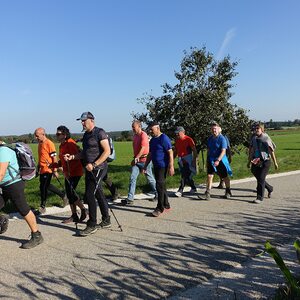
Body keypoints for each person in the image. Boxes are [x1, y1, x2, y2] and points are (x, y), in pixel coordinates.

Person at [64, 111, 111, 236]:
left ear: (92, 120)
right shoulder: (86, 135)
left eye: (84, 120)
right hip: (89, 168)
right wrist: (72, 157)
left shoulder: (99, 132)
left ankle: (92, 224)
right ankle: (106, 220)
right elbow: (84, 153)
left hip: (99, 167)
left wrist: (94, 164)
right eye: (81, 120)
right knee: (99, 193)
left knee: (89, 195)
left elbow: (107, 151)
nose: (82, 123)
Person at [0, 141, 44, 249]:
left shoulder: (3, 151)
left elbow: (1, 173)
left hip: (13, 184)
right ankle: (2, 220)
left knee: (23, 209)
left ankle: (37, 235)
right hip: (4, 185)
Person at [55, 126, 87, 223]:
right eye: (56, 134)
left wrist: (69, 173)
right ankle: (74, 215)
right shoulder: (62, 145)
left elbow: (76, 158)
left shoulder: (70, 143)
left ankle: (83, 209)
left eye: (58, 134)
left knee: (72, 194)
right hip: (67, 173)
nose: (56, 135)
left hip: (74, 172)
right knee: (69, 195)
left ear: (64, 135)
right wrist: (56, 164)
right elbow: (63, 159)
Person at [143, 122, 174, 217]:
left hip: (163, 166)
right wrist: (145, 165)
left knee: (159, 186)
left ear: (158, 128)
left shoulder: (164, 138)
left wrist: (171, 166)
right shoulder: (152, 140)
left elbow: (170, 152)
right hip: (156, 166)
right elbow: (150, 154)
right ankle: (166, 204)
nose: (151, 131)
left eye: (152, 129)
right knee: (162, 185)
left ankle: (160, 208)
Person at [122, 120, 157, 205]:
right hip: (137, 161)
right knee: (132, 178)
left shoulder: (143, 135)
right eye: (132, 127)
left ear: (139, 126)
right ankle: (130, 199)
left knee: (150, 178)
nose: (132, 128)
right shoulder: (135, 136)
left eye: (134, 127)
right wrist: (135, 158)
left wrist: (137, 157)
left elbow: (143, 148)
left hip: (145, 161)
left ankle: (158, 193)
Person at [34, 127, 68, 214]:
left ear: (43, 134)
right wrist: (38, 167)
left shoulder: (49, 143)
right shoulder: (40, 143)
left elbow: (54, 157)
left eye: (37, 136)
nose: (36, 137)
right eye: (35, 136)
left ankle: (42, 206)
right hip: (42, 169)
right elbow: (41, 157)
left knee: (43, 187)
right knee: (46, 186)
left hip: (48, 169)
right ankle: (63, 195)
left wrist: (55, 170)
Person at [198, 122, 232, 200]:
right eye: (212, 129)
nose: (214, 130)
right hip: (211, 159)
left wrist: (218, 160)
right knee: (210, 175)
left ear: (219, 129)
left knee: (225, 176)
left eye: (215, 129)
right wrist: (207, 160)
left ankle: (228, 191)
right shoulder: (210, 139)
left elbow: (223, 151)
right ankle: (207, 193)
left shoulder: (222, 139)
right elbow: (209, 150)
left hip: (220, 160)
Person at [247, 122, 278, 204]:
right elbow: (252, 150)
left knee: (261, 178)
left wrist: (275, 163)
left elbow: (271, 151)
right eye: (255, 129)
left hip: (265, 161)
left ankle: (259, 197)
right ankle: (270, 188)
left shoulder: (266, 138)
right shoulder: (254, 138)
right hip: (256, 160)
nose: (256, 130)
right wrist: (249, 161)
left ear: (262, 129)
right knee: (257, 175)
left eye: (258, 128)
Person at [173, 126, 197, 197]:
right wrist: (172, 160)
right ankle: (193, 187)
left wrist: (193, 160)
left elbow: (194, 150)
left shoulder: (188, 139)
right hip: (181, 159)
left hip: (188, 158)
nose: (177, 135)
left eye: (178, 133)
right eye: (176, 133)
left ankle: (180, 190)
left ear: (183, 132)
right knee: (187, 175)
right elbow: (176, 151)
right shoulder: (177, 140)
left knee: (184, 174)